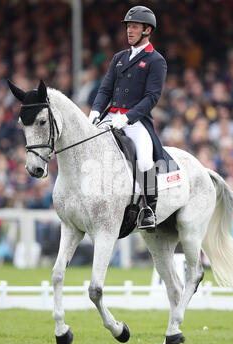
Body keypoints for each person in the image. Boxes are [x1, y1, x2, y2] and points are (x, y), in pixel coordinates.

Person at [89, 6, 167, 230]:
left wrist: (128, 118)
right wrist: (95, 111)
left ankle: (149, 209)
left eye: (134, 27)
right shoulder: (119, 58)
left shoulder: (156, 60)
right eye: (128, 27)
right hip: (109, 116)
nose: (129, 31)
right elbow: (105, 90)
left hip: (135, 121)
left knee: (144, 160)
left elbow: (152, 97)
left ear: (147, 30)